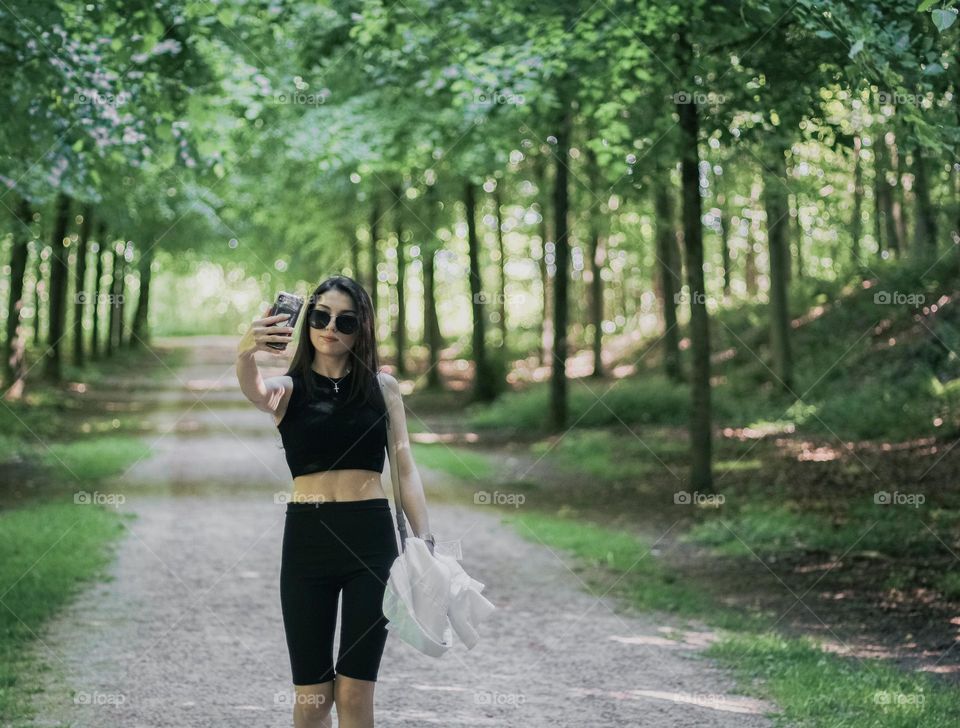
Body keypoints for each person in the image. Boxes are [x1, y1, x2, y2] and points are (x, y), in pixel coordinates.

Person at [236, 275, 435, 728]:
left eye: (345, 320)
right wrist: (245, 350)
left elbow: (405, 468)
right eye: (321, 316)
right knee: (313, 698)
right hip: (307, 542)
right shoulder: (288, 390)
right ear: (307, 322)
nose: (331, 328)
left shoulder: (382, 389)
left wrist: (426, 542)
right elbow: (255, 390)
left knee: (354, 690)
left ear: (360, 327)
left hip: (370, 541)